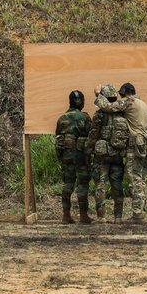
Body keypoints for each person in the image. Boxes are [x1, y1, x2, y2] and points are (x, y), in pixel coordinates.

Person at [93, 82, 147, 221]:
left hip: (134, 144)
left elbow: (108, 107)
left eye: (121, 95)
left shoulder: (129, 102)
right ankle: (141, 210)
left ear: (125, 93)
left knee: (134, 179)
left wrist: (98, 95)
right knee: (141, 178)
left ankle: (137, 214)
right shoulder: (144, 105)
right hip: (145, 144)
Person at [85, 84, 127, 224]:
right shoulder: (122, 112)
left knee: (100, 185)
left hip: (101, 155)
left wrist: (87, 151)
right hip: (117, 154)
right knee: (117, 186)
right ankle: (118, 217)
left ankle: (101, 217)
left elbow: (93, 135)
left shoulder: (100, 115)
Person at [55, 90, 92, 224]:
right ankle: (83, 215)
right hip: (81, 157)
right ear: (81, 102)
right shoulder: (85, 118)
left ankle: (66, 215)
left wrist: (61, 157)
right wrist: (88, 155)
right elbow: (90, 138)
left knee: (67, 185)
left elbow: (58, 140)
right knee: (82, 185)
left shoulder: (61, 119)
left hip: (66, 157)